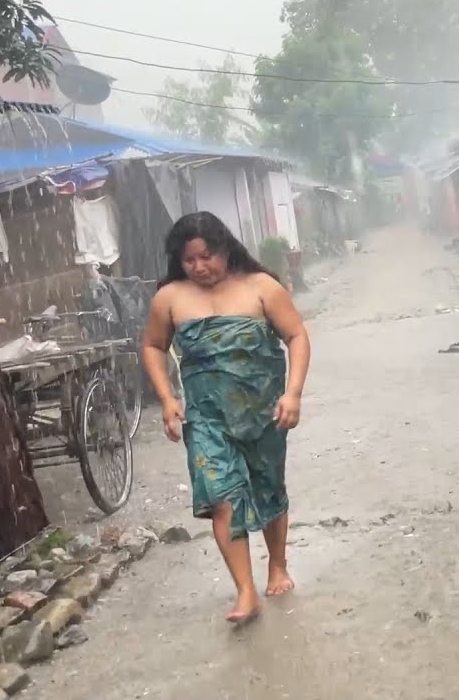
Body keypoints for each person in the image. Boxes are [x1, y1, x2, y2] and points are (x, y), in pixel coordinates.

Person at [141, 211, 312, 622]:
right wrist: (167, 399)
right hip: (206, 418)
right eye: (189, 260)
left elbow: (297, 336)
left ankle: (277, 565)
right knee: (221, 497)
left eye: (208, 256)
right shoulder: (169, 298)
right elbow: (152, 346)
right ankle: (245, 590)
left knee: (268, 487)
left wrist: (293, 394)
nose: (200, 267)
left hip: (264, 412)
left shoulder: (261, 288)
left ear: (226, 249)